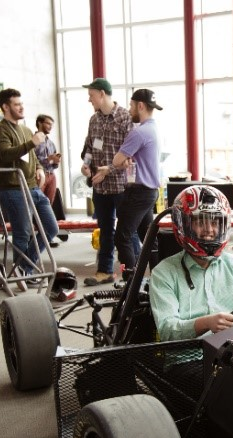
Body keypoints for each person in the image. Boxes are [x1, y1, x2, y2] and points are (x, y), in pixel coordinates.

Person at [150, 185, 233, 342]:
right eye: (200, 222)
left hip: (232, 351)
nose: (209, 230)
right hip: (188, 357)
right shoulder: (164, 273)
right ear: (184, 225)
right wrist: (205, 323)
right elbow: (167, 331)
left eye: (215, 222)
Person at [0, 87, 59, 282]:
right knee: (22, 234)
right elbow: (6, 154)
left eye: (21, 104)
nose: (21, 107)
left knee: (51, 227)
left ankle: (25, 268)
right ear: (5, 107)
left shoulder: (26, 129)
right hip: (13, 189)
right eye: (16, 104)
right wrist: (31, 143)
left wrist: (37, 167)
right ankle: (22, 274)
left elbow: (32, 156)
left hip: (33, 188)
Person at [80, 77, 134, 286]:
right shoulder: (94, 120)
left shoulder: (124, 118)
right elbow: (88, 149)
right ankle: (105, 271)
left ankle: (131, 272)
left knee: (126, 232)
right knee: (105, 231)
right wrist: (86, 165)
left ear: (102, 94)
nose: (89, 100)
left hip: (121, 186)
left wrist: (108, 170)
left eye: (91, 95)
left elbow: (130, 156)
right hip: (99, 187)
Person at [112, 89, 162, 277]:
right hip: (149, 192)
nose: (129, 109)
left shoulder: (139, 132)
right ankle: (159, 278)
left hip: (139, 193)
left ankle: (130, 281)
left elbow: (117, 160)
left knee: (122, 237)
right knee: (149, 239)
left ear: (140, 105)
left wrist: (121, 161)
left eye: (131, 105)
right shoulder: (154, 129)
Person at [34, 113, 63, 243]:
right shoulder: (33, 140)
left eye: (52, 124)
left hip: (51, 175)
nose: (50, 127)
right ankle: (37, 235)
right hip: (40, 176)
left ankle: (46, 234)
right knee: (38, 206)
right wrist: (49, 159)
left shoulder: (50, 143)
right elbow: (33, 160)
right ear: (40, 123)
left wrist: (56, 161)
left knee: (48, 205)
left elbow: (54, 163)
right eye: (48, 124)